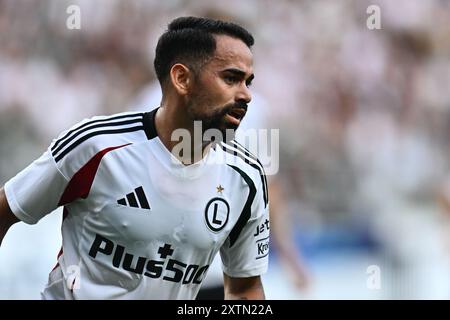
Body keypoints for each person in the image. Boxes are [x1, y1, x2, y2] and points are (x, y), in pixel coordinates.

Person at [0, 16, 269, 300]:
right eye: (231, 78)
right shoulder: (96, 147)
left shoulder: (246, 177)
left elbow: (245, 290)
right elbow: (5, 210)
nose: (246, 95)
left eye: (248, 82)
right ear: (182, 78)